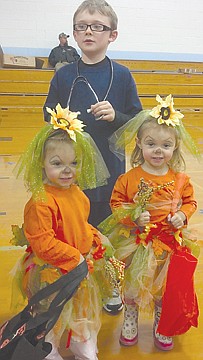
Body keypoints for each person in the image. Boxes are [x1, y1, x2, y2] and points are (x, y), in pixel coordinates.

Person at [44, 0, 142, 315]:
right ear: (73, 33)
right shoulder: (63, 74)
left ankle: (109, 285)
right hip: (70, 173)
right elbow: (48, 115)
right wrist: (63, 121)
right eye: (81, 26)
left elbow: (137, 120)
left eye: (97, 26)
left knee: (107, 231)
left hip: (110, 171)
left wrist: (115, 116)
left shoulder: (123, 75)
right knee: (72, 229)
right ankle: (74, 284)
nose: (88, 31)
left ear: (111, 35)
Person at [10, 104, 124, 360]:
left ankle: (83, 348)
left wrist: (95, 236)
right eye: (57, 163)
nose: (67, 170)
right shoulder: (40, 201)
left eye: (74, 163)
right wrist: (75, 258)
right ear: (42, 162)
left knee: (82, 311)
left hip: (79, 269)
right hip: (53, 272)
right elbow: (42, 242)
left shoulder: (77, 193)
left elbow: (79, 225)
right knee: (53, 315)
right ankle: (48, 350)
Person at [99, 94, 201, 351]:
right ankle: (129, 318)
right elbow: (117, 203)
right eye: (151, 143)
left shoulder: (180, 179)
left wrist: (182, 215)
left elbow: (190, 203)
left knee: (163, 287)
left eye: (166, 145)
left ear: (175, 147)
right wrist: (132, 215)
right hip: (137, 242)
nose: (158, 150)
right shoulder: (129, 178)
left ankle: (161, 321)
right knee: (133, 286)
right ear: (139, 143)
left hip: (167, 244)